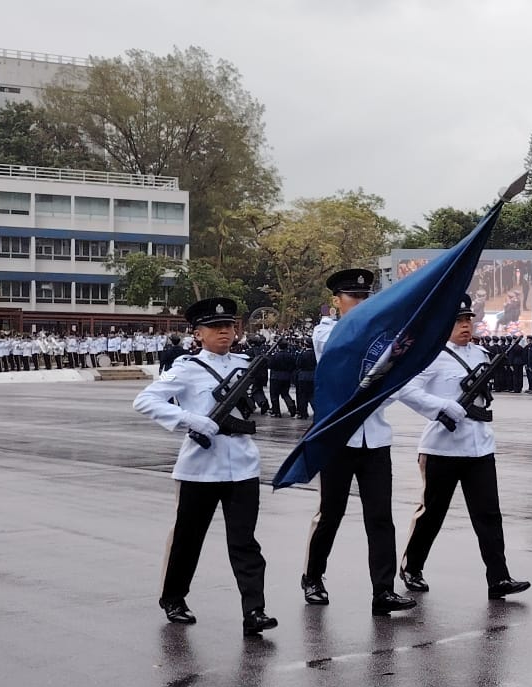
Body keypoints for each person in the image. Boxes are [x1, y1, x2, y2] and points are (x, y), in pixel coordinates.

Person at [131, 296, 277, 636]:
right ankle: (174, 598)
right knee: (188, 538)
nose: (224, 332)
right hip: (200, 467)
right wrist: (190, 419)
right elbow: (145, 400)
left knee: (244, 542)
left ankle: (254, 610)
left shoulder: (246, 364)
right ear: (198, 334)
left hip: (242, 465)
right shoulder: (186, 368)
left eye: (228, 326)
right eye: (215, 327)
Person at [395, 296, 532, 598]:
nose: (465, 325)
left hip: (479, 448)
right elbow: (405, 390)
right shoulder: (431, 357)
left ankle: (499, 578)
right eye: (458, 320)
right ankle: (412, 567)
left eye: (468, 319)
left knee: (489, 515)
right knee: (432, 514)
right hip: (441, 449)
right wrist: (441, 406)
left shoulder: (481, 354)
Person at [303, 268, 417, 616]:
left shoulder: (381, 335)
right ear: (336, 301)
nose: (361, 303)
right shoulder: (325, 332)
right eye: (353, 297)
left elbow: (392, 380)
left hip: (375, 439)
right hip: (338, 439)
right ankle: (313, 576)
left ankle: (383, 590)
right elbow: (346, 348)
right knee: (331, 513)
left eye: (366, 298)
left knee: (380, 516)